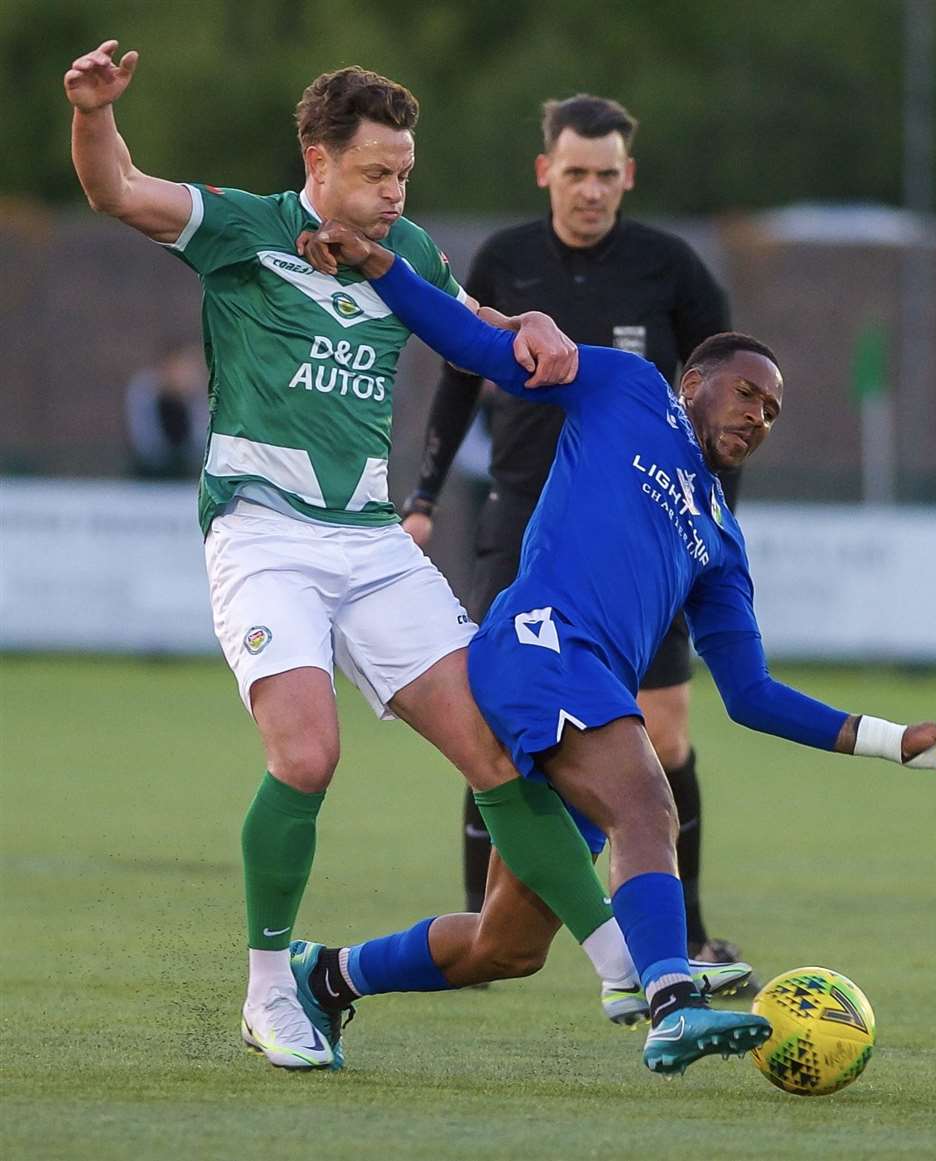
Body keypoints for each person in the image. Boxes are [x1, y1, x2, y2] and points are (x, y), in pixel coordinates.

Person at [64, 40, 677, 1073]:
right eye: (376, 172)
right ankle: (270, 993)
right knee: (306, 754)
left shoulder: (411, 257)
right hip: (264, 538)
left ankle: (624, 967)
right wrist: (92, 113)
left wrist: (530, 320)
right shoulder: (246, 229)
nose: (395, 192)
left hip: (370, 543)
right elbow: (116, 188)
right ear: (318, 159)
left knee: (494, 750)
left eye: (404, 173)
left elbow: (484, 333)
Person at [290, 227, 936, 1077]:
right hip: (540, 649)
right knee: (647, 801)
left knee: (505, 946)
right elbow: (477, 344)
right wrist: (381, 267)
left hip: (582, 694)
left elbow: (752, 694)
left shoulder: (720, 538)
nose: (757, 417)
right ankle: (669, 999)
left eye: (771, 412)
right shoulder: (628, 387)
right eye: (746, 394)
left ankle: (324, 975)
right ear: (693, 381)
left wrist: (894, 739)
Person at [402, 94, 749, 974]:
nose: (591, 189)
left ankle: (685, 931)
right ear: (545, 170)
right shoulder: (506, 258)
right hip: (520, 511)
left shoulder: (671, 268)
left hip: (636, 538)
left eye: (606, 174)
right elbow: (458, 378)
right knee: (492, 724)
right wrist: (424, 494)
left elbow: (727, 402)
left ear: (627, 177)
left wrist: (706, 534)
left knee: (663, 740)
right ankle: (488, 915)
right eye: (575, 172)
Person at [124, 339, 209, 478]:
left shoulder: (197, 395)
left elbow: (200, 439)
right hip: (150, 472)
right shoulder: (146, 391)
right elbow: (145, 440)